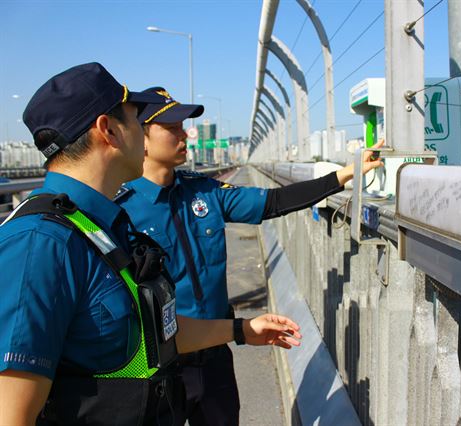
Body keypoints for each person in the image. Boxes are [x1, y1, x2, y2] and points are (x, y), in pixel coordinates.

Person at [0, 63, 301, 426]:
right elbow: (12, 414)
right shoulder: (40, 244)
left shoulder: (103, 226)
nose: (142, 133)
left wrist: (241, 330)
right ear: (109, 130)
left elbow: (151, 332)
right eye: (135, 119)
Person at [115, 86, 383, 426]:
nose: (184, 135)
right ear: (143, 136)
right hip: (157, 367)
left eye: (184, 126)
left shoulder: (205, 192)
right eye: (172, 128)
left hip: (214, 356)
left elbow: (272, 203)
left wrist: (344, 174)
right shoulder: (118, 210)